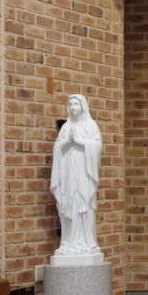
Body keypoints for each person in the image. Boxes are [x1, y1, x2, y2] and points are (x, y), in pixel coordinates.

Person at [50, 93, 103, 257]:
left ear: (83, 106)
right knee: (69, 202)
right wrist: (68, 142)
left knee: (83, 202)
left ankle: (86, 241)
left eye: (76, 104)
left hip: (84, 172)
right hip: (68, 173)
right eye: (71, 104)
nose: (73, 107)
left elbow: (97, 146)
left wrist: (79, 141)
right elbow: (58, 148)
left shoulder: (90, 126)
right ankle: (69, 241)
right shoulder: (65, 128)